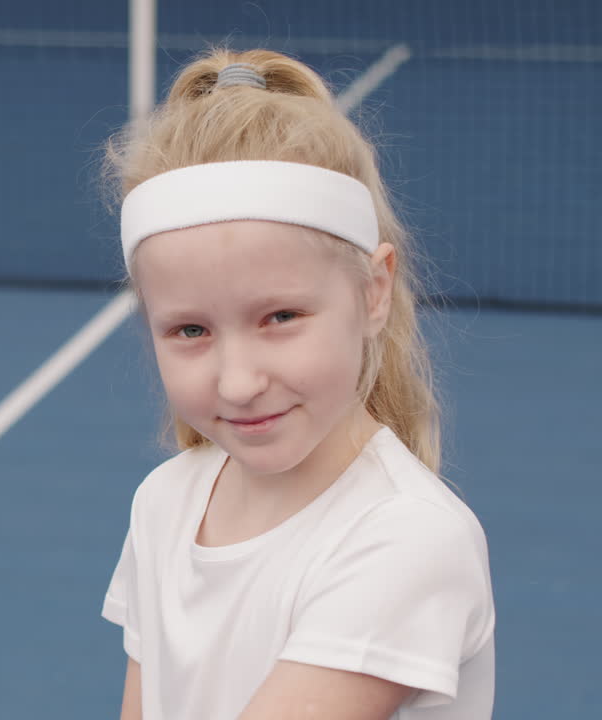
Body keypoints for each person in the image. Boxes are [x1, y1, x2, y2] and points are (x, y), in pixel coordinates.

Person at [100, 48, 496, 720]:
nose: (239, 381)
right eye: (190, 331)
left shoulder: (405, 540)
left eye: (279, 317)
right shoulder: (164, 503)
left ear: (374, 292)